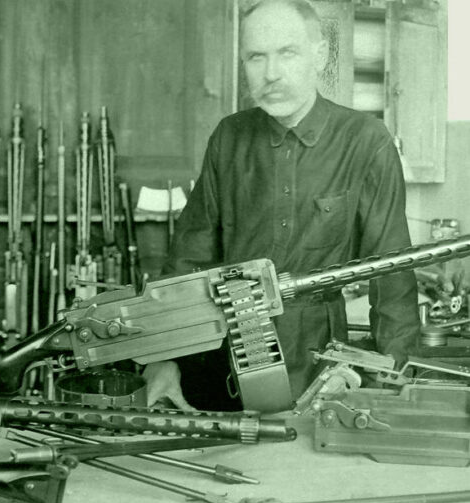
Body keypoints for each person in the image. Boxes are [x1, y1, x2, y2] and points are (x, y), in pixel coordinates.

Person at [144, 0, 419, 411]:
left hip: (324, 373)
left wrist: (388, 385)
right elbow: (187, 260)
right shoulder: (228, 138)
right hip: (225, 364)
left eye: (286, 53)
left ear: (319, 54)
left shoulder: (366, 141)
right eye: (257, 56)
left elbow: (392, 281)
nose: (270, 74)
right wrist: (162, 358)